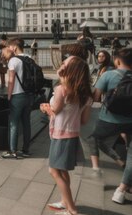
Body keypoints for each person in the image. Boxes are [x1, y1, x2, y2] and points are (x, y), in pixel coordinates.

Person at [41, 55, 92, 215]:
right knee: (63, 171)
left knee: (54, 171)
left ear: (70, 70)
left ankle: (72, 210)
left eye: (64, 63)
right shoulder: (86, 94)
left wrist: (45, 108)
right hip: (73, 135)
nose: (61, 65)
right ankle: (65, 201)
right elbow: (84, 120)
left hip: (60, 136)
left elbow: (54, 111)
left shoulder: (62, 89)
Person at [88, 48, 132, 204]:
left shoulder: (108, 75)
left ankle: (114, 163)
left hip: (109, 119)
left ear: (118, 61)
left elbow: (96, 97)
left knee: (94, 139)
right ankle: (121, 190)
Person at [0, 38, 32, 158]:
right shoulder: (29, 58)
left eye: (10, 46)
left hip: (17, 96)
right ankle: (26, 150)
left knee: (13, 123)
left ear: (15, 47)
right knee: (26, 123)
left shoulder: (14, 60)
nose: (8, 48)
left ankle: (12, 151)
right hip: (29, 95)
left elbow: (11, 80)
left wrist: (8, 95)